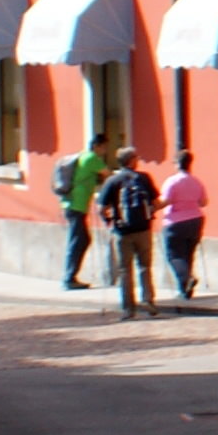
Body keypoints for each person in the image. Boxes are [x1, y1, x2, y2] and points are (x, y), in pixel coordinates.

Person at [96, 147, 161, 319]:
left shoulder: (112, 181)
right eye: (136, 158)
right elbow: (155, 202)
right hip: (144, 229)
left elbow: (101, 208)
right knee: (145, 266)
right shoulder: (144, 178)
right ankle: (148, 300)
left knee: (125, 270)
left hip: (122, 231)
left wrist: (108, 221)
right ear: (131, 160)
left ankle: (128, 308)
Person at [56, 133, 107, 289]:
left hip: (73, 204)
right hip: (76, 205)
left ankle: (71, 276)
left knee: (82, 240)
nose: (105, 151)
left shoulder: (83, 156)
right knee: (77, 241)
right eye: (104, 147)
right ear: (97, 146)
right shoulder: (92, 158)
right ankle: (68, 278)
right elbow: (108, 174)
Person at [158, 149, 208, 301]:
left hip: (175, 221)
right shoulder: (196, 181)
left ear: (177, 164)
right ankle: (185, 291)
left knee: (174, 255)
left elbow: (165, 201)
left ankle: (187, 278)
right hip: (195, 219)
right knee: (188, 255)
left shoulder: (172, 181)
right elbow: (204, 202)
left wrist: (153, 207)